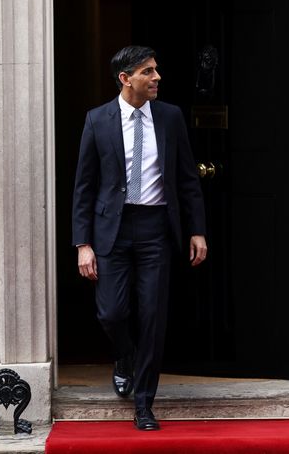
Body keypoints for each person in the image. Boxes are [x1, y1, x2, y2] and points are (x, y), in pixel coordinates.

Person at [72, 45, 208, 431]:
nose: (157, 77)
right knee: (111, 312)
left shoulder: (170, 118)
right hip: (110, 231)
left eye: (156, 70)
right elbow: (84, 186)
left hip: (156, 230)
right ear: (125, 78)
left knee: (152, 316)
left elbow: (187, 179)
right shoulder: (97, 120)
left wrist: (197, 230)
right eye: (148, 71)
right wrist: (83, 243)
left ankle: (144, 403)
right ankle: (125, 357)